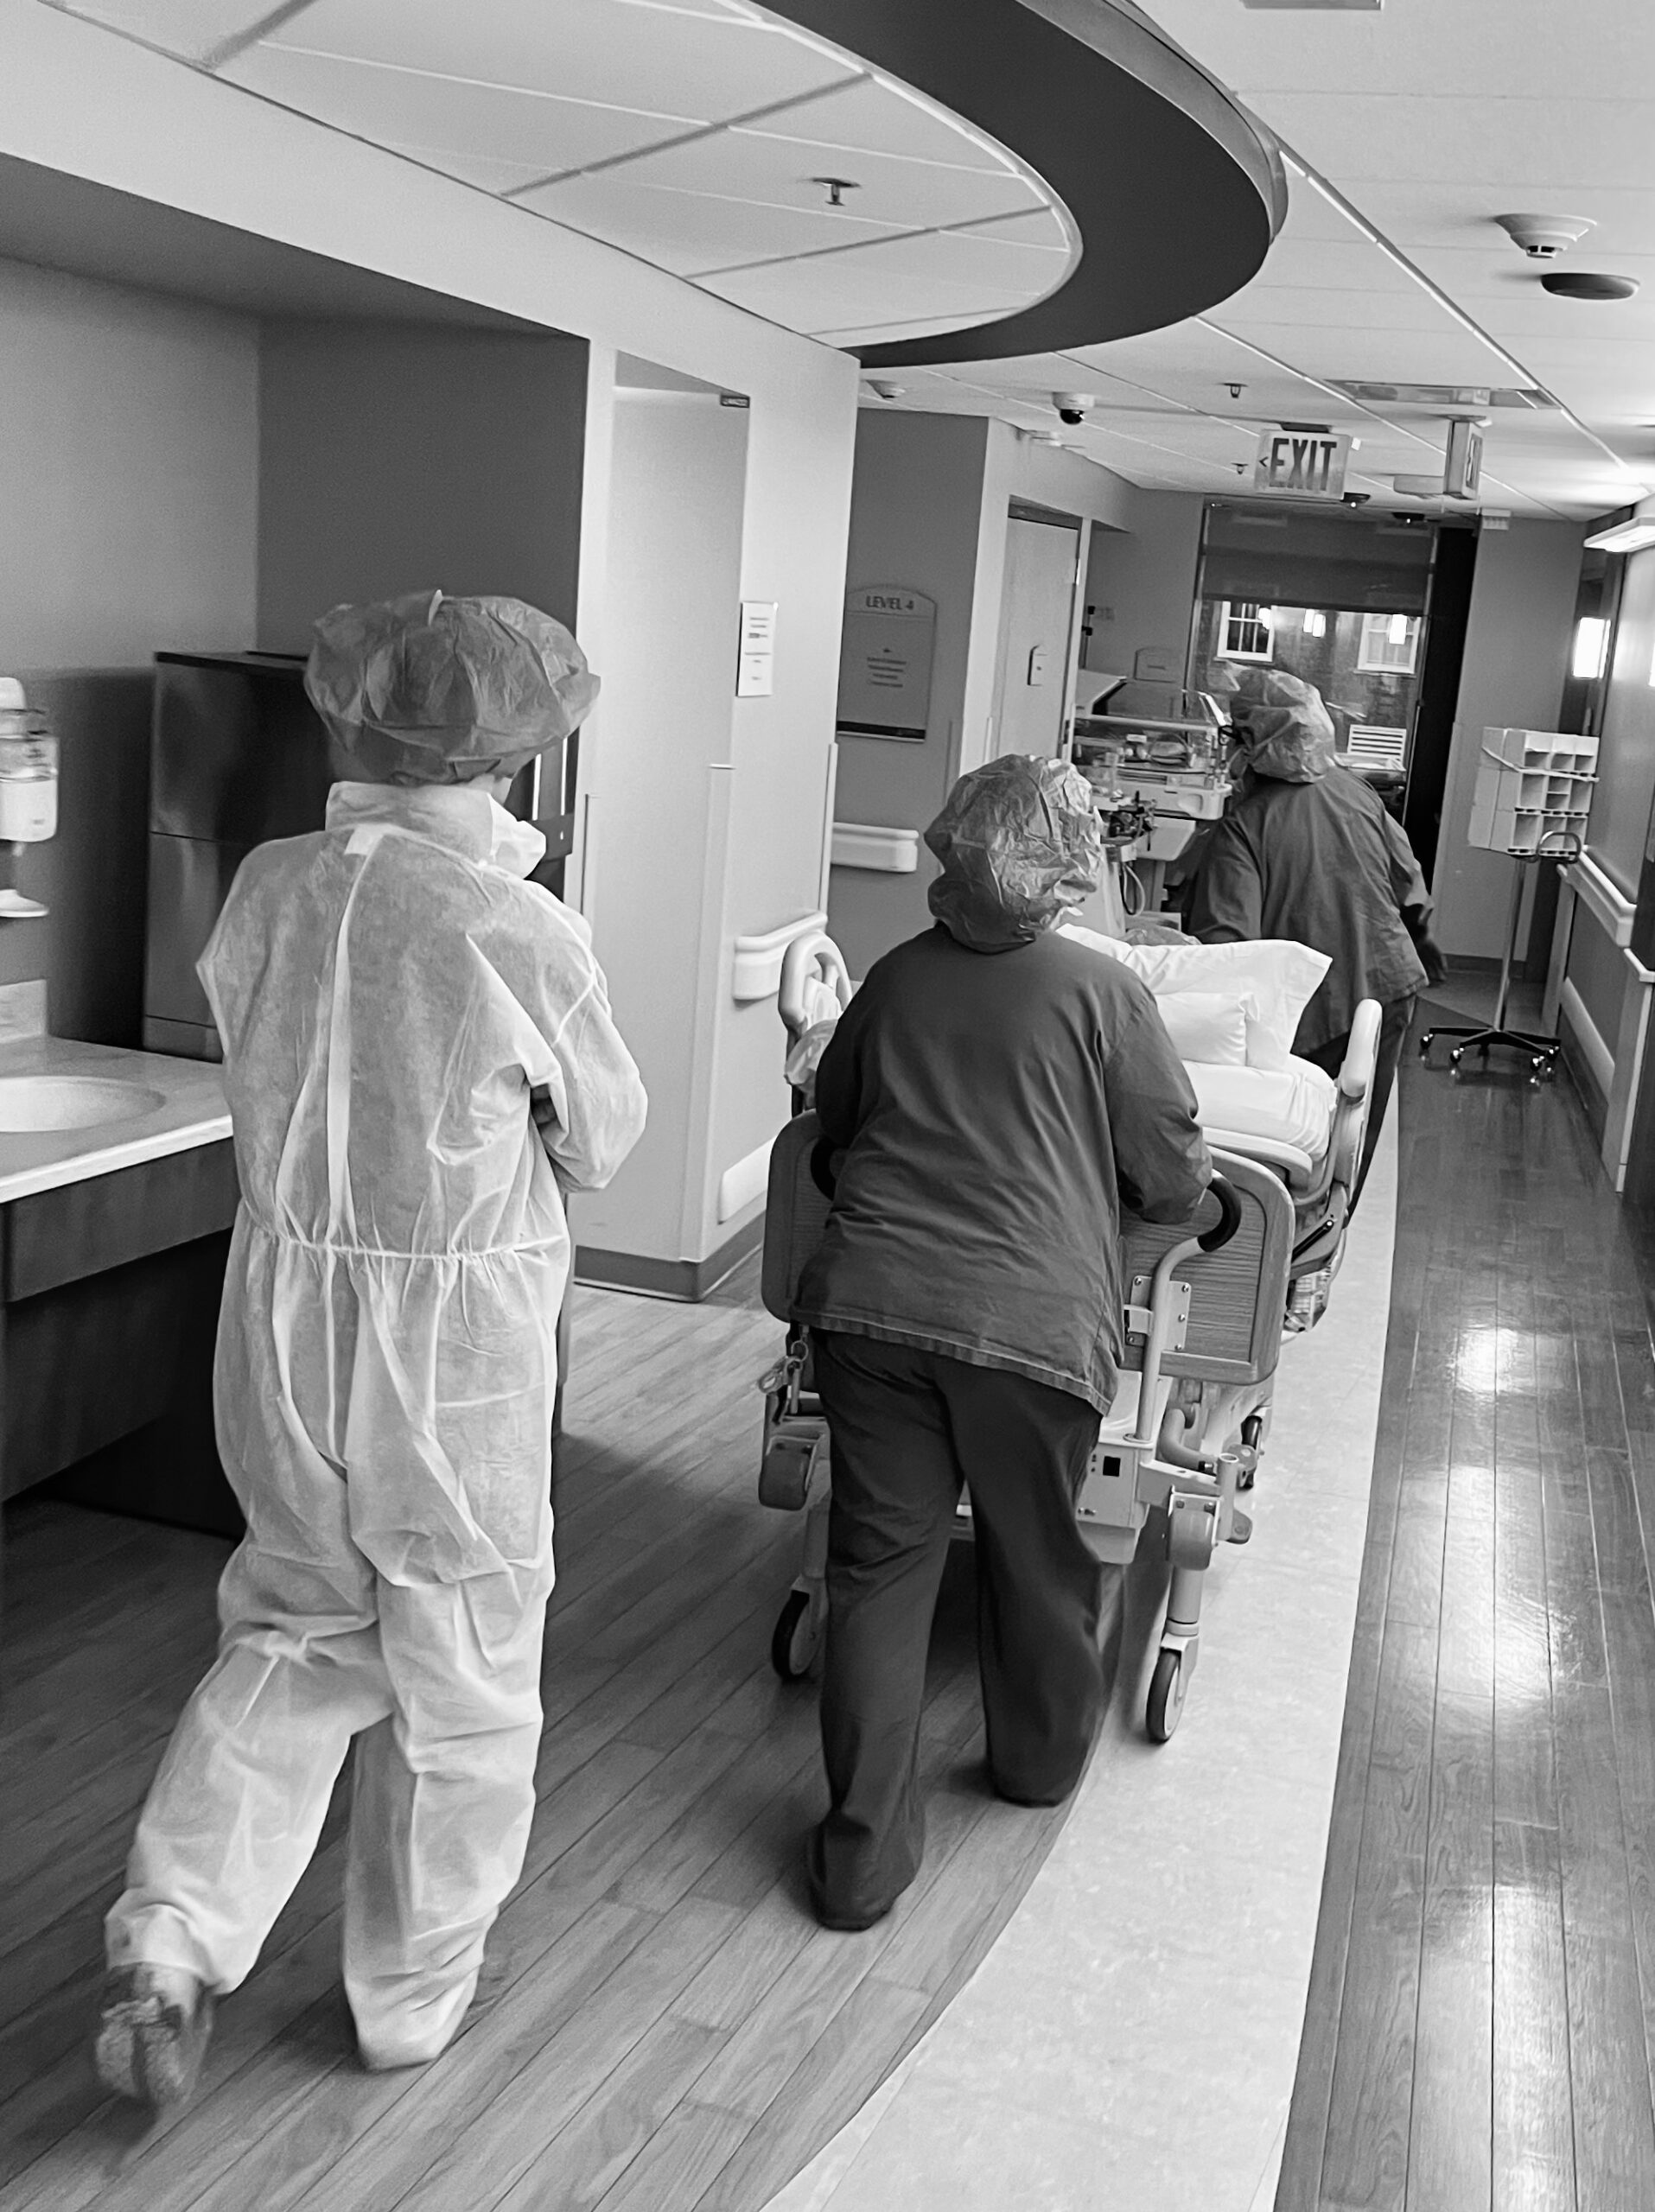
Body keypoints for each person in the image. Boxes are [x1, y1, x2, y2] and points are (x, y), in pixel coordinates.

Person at [94, 591, 646, 2107]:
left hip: (276, 1322)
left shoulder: (267, 887)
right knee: (464, 1666)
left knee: (293, 1631)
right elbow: (603, 1136)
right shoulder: (516, 925)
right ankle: (406, 2002)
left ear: (352, 726)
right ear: (515, 759)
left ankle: (171, 1940)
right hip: (451, 1343)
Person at [792, 754, 1212, 1932]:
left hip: (868, 1313)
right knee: (1034, 1554)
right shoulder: (1103, 994)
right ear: (1069, 862)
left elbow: (835, 1120)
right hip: (1026, 1327)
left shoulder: (894, 980)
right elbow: (1173, 1171)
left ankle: (858, 1863)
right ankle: (1030, 1769)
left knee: (877, 1573)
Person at [1183, 669, 1445, 1199]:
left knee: (1297, 1146)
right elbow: (1410, 887)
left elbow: (1227, 950)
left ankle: (1284, 1240)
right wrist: (1421, 941)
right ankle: (1331, 1226)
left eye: (1237, 736)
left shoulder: (1245, 826)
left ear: (1255, 742)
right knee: (1352, 1136)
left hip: (1314, 1009)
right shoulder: (1357, 792)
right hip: (1387, 987)